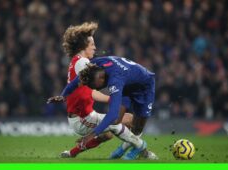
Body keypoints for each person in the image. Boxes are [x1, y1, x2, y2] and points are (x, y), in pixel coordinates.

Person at [47, 22, 153, 160]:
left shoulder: (78, 61)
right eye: (92, 45)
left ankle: (71, 153)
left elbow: (88, 90)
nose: (95, 48)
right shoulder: (83, 63)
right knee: (114, 124)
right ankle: (143, 149)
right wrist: (114, 98)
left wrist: (63, 95)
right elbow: (92, 91)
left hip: (86, 113)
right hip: (81, 117)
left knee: (112, 131)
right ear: (83, 47)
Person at [59, 56, 157, 160]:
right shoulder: (95, 66)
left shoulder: (115, 81)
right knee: (115, 122)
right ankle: (127, 149)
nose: (93, 88)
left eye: (93, 85)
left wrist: (91, 135)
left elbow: (112, 114)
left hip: (144, 86)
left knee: (138, 126)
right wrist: (63, 95)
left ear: (101, 78)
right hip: (126, 84)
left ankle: (134, 150)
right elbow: (79, 78)